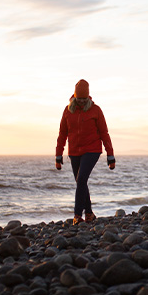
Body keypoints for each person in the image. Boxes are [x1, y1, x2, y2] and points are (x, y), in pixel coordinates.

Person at [56, 79, 115, 225]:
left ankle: (77, 215)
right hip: (74, 151)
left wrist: (110, 155)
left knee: (81, 179)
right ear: (75, 97)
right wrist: (58, 155)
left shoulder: (95, 110)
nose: (82, 101)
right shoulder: (68, 110)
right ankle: (89, 213)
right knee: (80, 182)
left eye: (84, 99)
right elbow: (62, 133)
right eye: (79, 99)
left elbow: (104, 133)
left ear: (88, 96)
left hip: (92, 150)